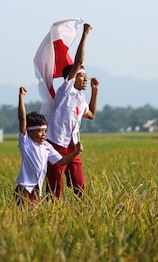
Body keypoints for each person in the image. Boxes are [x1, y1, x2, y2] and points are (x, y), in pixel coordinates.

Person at [46, 23, 99, 198]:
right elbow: (78, 61)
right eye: (82, 76)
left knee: (79, 185)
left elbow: (90, 114)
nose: (85, 80)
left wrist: (95, 91)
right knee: (55, 188)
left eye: (86, 77)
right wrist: (85, 34)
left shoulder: (80, 98)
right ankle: (51, 215)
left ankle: (80, 214)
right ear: (71, 78)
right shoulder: (66, 90)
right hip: (56, 143)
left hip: (73, 145)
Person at [14, 86, 83, 206]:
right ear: (30, 132)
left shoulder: (47, 146)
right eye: (40, 131)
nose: (43, 134)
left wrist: (75, 152)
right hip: (25, 189)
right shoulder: (26, 143)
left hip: (37, 191)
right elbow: (22, 119)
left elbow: (61, 162)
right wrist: (21, 97)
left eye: (45, 131)